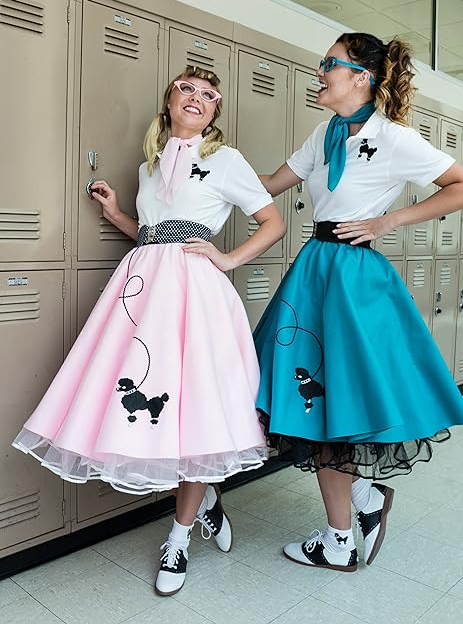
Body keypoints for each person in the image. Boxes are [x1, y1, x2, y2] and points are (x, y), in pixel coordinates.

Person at [13, 66, 286, 595]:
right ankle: (204, 498)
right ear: (168, 102)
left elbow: (271, 222)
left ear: (214, 115)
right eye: (188, 89)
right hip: (141, 290)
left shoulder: (226, 160)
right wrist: (116, 211)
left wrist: (228, 259)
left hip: (195, 294)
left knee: (198, 407)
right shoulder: (148, 166)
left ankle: (180, 539)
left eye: (210, 96)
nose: (199, 99)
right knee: (152, 400)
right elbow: (151, 232)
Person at [254, 32, 463, 573]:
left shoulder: (393, 138)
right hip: (315, 268)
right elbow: (270, 185)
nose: (319, 71)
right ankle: (360, 506)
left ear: (362, 77)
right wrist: (201, 175)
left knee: (334, 402)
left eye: (330, 63)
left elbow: (460, 184)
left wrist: (388, 220)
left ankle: (341, 538)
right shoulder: (324, 133)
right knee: (315, 399)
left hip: (352, 276)